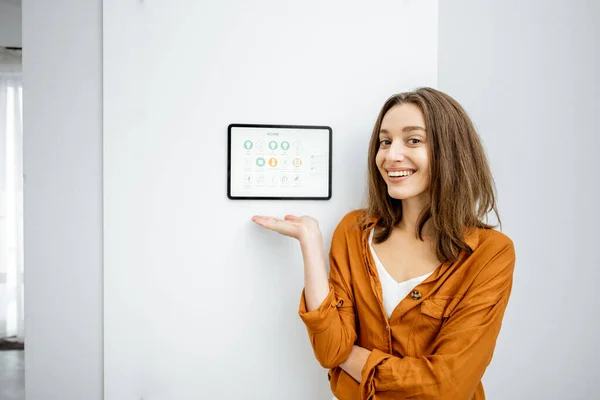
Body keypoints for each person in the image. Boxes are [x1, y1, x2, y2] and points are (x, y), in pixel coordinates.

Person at [251, 87, 516, 400]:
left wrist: (348, 358)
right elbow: (329, 348)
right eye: (385, 141)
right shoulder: (353, 231)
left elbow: (447, 387)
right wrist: (309, 242)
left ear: (451, 151)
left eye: (413, 140)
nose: (390, 156)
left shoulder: (490, 252)